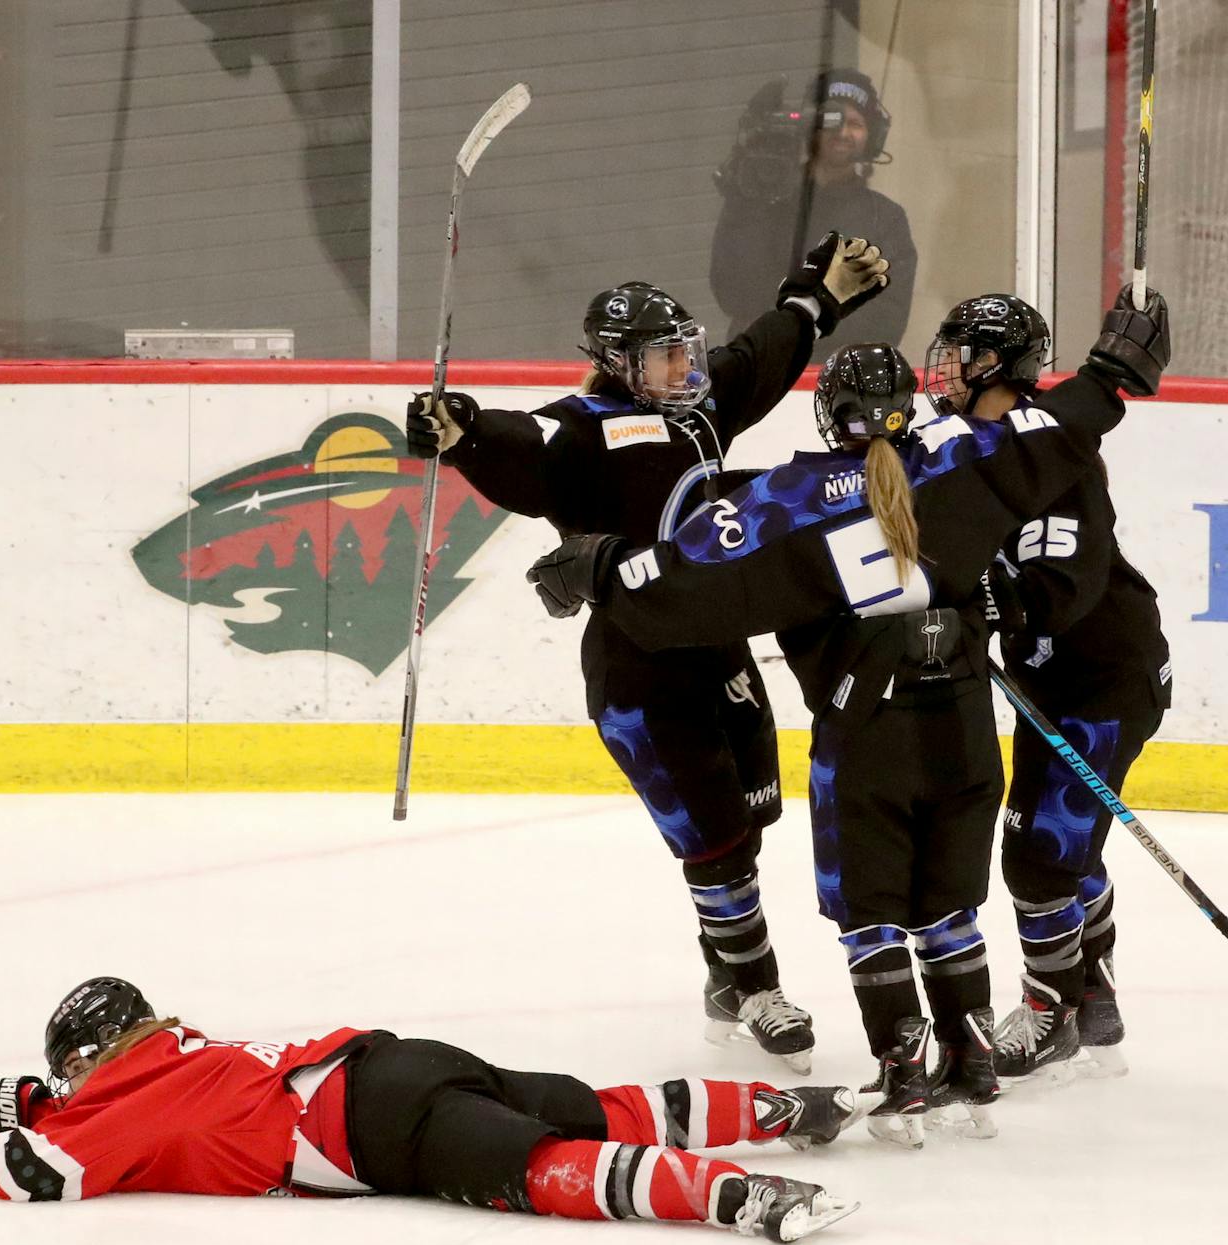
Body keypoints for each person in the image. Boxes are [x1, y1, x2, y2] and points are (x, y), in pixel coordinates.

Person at [524, 289, 1170, 1144]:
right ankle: (973, 1066)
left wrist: (603, 567)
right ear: (906, 407)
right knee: (954, 905)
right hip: (962, 735)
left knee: (877, 910)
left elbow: (691, 582)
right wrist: (1111, 375)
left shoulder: (790, 498)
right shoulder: (957, 455)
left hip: (867, 738)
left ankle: (906, 1076)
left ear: (831, 419)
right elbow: (1048, 435)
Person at [404, 235, 890, 1071]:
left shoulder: (698, 411)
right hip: (637, 664)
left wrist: (819, 299)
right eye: (666, 357)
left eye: (684, 352)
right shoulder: (576, 430)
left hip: (719, 646)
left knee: (750, 818)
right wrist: (459, 431)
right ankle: (756, 984)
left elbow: (757, 356)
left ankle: (725, 975)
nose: (685, 368)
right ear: (621, 364)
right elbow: (518, 443)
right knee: (713, 838)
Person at [0, 976, 867, 1244]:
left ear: (82, 1064)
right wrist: (0, 1101)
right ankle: (787, 1105)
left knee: (541, 1168)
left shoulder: (103, 1112)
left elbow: (37, 1169)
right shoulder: (170, 1054)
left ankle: (743, 1196)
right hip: (393, 1061)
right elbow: (51, 1112)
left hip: (367, 1129)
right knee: (599, 1107)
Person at [923, 292, 1173, 1081]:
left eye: (963, 350)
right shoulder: (981, 440)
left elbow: (1065, 580)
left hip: (1103, 678)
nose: (949, 365)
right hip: (1057, 675)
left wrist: (992, 602)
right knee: (1065, 842)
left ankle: (1051, 1007)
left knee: (1036, 859)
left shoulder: (1056, 458)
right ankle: (1091, 990)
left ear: (994, 364)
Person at [710, 70, 917, 361]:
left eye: (856, 123)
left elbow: (885, 322)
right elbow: (733, 292)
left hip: (843, 378)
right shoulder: (763, 200)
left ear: (873, 135)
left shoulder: (885, 219)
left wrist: (796, 324)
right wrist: (748, 199)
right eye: (831, 120)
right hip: (760, 370)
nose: (843, 132)